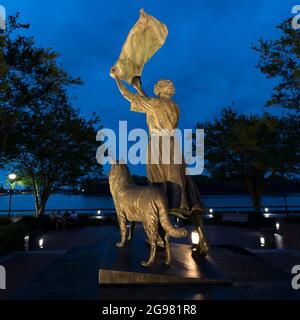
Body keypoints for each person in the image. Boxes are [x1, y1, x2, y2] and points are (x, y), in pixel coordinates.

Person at [111, 68, 208, 255]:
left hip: (157, 147)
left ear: (159, 89)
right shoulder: (175, 106)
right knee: (186, 189)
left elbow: (127, 96)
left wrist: (117, 78)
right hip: (173, 146)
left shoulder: (155, 103)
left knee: (158, 188)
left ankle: (158, 238)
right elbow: (153, 105)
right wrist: (140, 88)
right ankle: (203, 239)